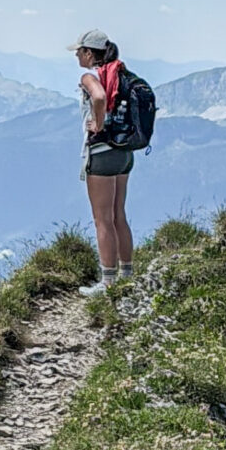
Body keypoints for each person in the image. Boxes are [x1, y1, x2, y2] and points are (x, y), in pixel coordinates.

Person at [72, 27, 135, 294]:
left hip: (102, 153)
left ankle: (108, 281)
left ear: (89, 53)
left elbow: (98, 97)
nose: (76, 55)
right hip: (124, 152)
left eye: (79, 51)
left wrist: (97, 123)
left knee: (102, 220)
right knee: (119, 214)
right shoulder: (121, 76)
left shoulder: (91, 77)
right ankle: (127, 273)